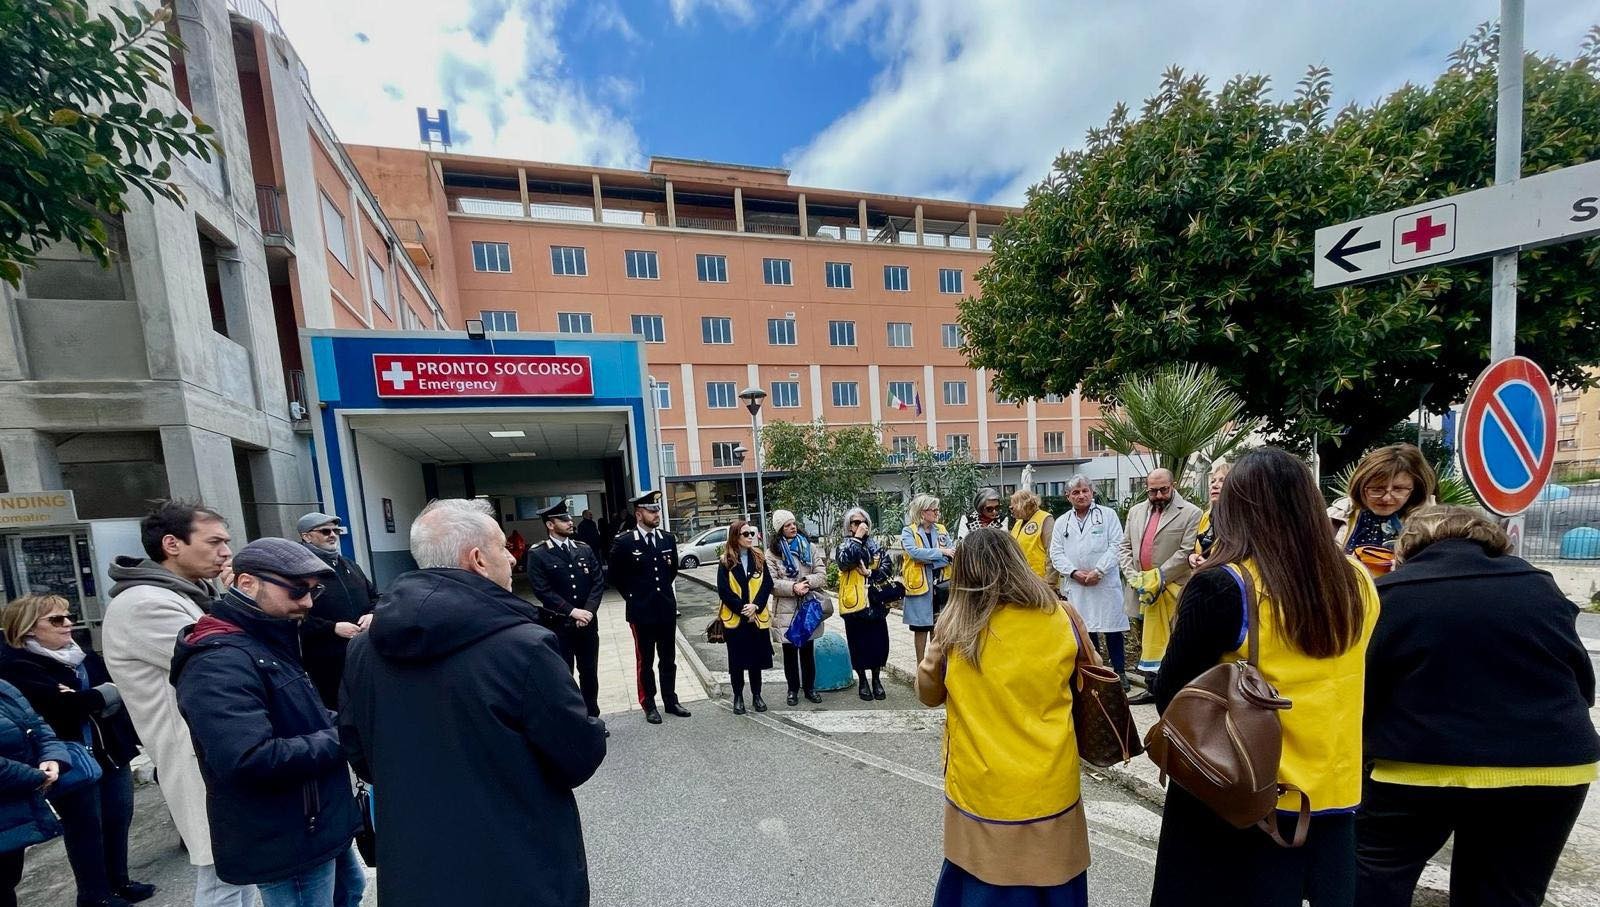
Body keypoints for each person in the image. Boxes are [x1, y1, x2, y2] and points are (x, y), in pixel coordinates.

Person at [340, 498, 607, 907]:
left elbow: (359, 752)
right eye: (504, 548)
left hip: (415, 870)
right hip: (519, 869)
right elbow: (577, 756)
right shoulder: (524, 647)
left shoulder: (363, 649)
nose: (513, 560)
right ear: (478, 559)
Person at [1149, 447, 1380, 906]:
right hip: (1333, 796)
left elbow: (1172, 698)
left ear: (1235, 509)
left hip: (1243, 796)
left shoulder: (1227, 584)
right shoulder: (1358, 580)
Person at [1356, 506, 1599, 906]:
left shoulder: (1391, 594)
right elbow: (1581, 683)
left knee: (1375, 879)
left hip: (1420, 766)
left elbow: (1365, 692)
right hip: (1552, 766)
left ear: (1407, 547)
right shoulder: (1539, 585)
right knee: (1506, 892)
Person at [171, 538, 363, 907]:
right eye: (296, 591)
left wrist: (359, 720)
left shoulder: (268, 638)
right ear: (247, 584)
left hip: (317, 821)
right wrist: (345, 737)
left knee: (349, 892)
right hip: (287, 834)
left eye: (314, 591)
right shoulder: (218, 661)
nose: (307, 602)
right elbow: (248, 758)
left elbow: (302, 715)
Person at [916, 528, 1092, 905]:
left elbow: (928, 694)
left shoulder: (954, 627)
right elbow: (1090, 681)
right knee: (1056, 881)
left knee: (981, 886)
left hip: (983, 790)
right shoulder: (1063, 617)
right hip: (1051, 783)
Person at [101, 500, 255, 907]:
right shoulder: (145, 604)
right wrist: (244, 599)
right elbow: (226, 659)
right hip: (195, 754)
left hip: (215, 750)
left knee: (241, 872)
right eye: (215, 541)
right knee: (223, 877)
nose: (226, 552)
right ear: (172, 543)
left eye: (227, 541)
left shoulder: (189, 595)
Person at [0, 595, 149, 907]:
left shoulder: (81, 656)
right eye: (56, 620)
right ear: (27, 629)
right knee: (86, 827)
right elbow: (61, 709)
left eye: (68, 616)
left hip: (110, 749)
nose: (68, 624)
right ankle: (95, 895)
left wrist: (94, 696)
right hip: (71, 757)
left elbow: (117, 689)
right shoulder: (18, 666)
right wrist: (97, 697)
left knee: (118, 817)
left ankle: (119, 882)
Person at [1117, 467, 1201, 704]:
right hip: (1140, 591)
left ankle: (1174, 691)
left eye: (1163, 489)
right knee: (1145, 639)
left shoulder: (1191, 513)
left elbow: (1186, 551)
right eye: (1153, 491)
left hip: (1171, 592)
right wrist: (1135, 577)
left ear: (1172, 485)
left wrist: (1156, 577)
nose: (1159, 495)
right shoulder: (1135, 512)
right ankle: (1152, 687)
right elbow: (1124, 547)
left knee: (1172, 643)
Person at [609, 491, 690, 724]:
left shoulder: (666, 538)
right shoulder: (624, 541)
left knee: (668, 659)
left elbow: (671, 570)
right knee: (645, 661)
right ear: (638, 513)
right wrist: (634, 597)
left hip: (665, 608)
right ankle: (649, 703)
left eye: (657, 510)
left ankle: (671, 700)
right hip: (641, 611)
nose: (657, 514)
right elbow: (615, 576)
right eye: (651, 510)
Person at [525, 501, 605, 723]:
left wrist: (587, 611)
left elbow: (598, 582)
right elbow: (542, 590)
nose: (571, 522)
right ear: (550, 524)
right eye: (564, 519)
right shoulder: (538, 554)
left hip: (587, 624)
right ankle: (572, 721)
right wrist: (572, 612)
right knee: (564, 676)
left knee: (589, 674)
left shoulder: (583, 548)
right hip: (560, 626)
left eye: (569, 518)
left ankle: (592, 718)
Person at [1049, 475, 1129, 688]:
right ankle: (1094, 672)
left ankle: (1120, 673)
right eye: (1076, 492)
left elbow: (1117, 546)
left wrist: (1099, 571)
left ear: (1092, 493)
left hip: (1104, 583)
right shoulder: (1061, 522)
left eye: (1085, 491)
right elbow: (1055, 553)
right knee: (1086, 629)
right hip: (1077, 584)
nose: (1081, 495)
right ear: (1068, 496)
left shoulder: (1108, 515)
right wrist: (1074, 572)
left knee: (1112, 628)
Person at [294, 513, 377, 711]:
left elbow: (376, 596)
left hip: (362, 654)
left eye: (335, 531)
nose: (332, 535)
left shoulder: (349, 565)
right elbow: (293, 617)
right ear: (307, 536)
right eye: (325, 531)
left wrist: (374, 614)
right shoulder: (299, 571)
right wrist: (332, 628)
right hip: (326, 663)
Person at [0, 677, 68, 907]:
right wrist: (36, 776)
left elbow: (37, 726)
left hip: (14, 811)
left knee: (7, 883)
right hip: (17, 792)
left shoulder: (4, 687)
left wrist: (51, 757)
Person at [1328, 443, 1437, 576]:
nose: (1386, 498)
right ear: (1360, 486)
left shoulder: (1433, 526)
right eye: (1377, 489)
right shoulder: (1336, 517)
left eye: (1398, 489)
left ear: (1416, 489)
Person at [766, 510, 827, 706]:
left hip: (807, 605)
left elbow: (821, 573)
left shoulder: (808, 547)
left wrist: (806, 582)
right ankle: (792, 689)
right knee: (790, 652)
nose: (792, 527)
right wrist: (793, 587)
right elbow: (772, 583)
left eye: (793, 523)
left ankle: (810, 688)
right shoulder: (772, 553)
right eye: (787, 525)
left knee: (808, 650)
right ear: (779, 530)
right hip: (785, 608)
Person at [716, 519, 774, 715]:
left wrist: (756, 606)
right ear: (735, 537)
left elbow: (767, 584)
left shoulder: (759, 557)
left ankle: (757, 695)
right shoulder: (726, 561)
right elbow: (724, 591)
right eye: (746, 534)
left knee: (755, 660)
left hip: (756, 618)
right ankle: (738, 697)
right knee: (737, 661)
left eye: (752, 534)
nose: (751, 537)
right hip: (736, 619)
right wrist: (743, 609)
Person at [836, 508, 892, 701]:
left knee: (878, 643)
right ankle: (862, 680)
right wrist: (857, 539)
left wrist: (870, 573)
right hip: (854, 604)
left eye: (862, 522)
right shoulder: (844, 546)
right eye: (854, 522)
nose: (859, 525)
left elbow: (887, 569)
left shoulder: (877, 546)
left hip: (875, 602)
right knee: (858, 644)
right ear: (849, 526)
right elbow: (845, 562)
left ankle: (876, 679)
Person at [900, 494, 954, 666]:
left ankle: (935, 664)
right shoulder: (909, 531)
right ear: (923, 512)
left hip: (941, 584)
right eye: (934, 509)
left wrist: (936, 555)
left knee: (938, 626)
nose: (937, 513)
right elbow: (914, 553)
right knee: (921, 628)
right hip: (920, 585)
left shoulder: (942, 529)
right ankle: (920, 665)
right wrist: (940, 553)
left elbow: (951, 553)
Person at [1007, 488, 1057, 583]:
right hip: (1021, 581)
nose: (1011, 511)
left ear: (1021, 505)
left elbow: (1052, 552)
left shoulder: (1046, 519)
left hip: (1040, 581)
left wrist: (1050, 582)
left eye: (1012, 508)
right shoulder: (1018, 523)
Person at [1188, 459, 1230, 569]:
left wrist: (1209, 564)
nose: (1215, 485)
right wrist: (1192, 556)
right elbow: (1195, 546)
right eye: (1213, 481)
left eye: (1222, 481)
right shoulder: (1206, 516)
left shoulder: (1241, 521)